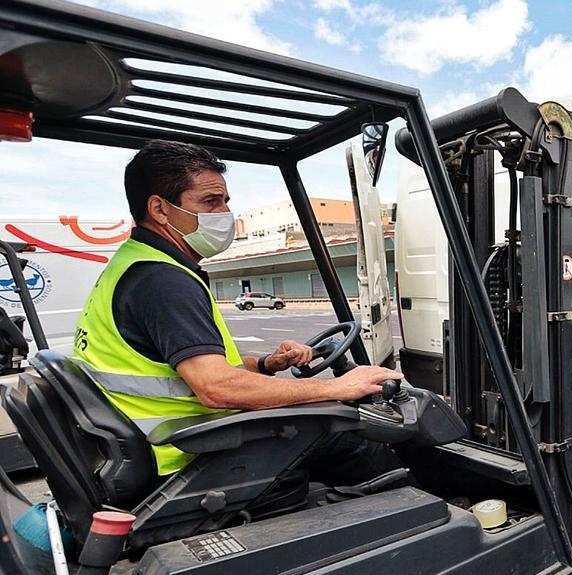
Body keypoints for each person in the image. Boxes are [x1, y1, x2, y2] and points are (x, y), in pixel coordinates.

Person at [73, 139, 400, 484]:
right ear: (160, 209)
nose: (225, 214)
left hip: (172, 441)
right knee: (357, 438)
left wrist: (264, 364)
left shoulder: (135, 265)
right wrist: (340, 388)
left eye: (226, 201)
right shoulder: (162, 281)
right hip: (187, 457)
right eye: (210, 202)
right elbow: (216, 387)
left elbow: (183, 365)